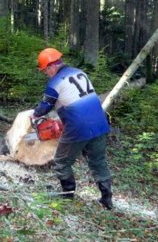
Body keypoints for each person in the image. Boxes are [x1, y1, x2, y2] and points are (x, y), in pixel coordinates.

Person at [32, 48, 113, 209]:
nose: (46, 74)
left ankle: (67, 195)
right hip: (100, 122)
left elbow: (45, 106)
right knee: (98, 161)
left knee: (61, 161)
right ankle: (107, 198)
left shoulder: (55, 82)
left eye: (45, 71)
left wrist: (34, 115)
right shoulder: (79, 72)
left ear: (51, 67)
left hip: (78, 126)